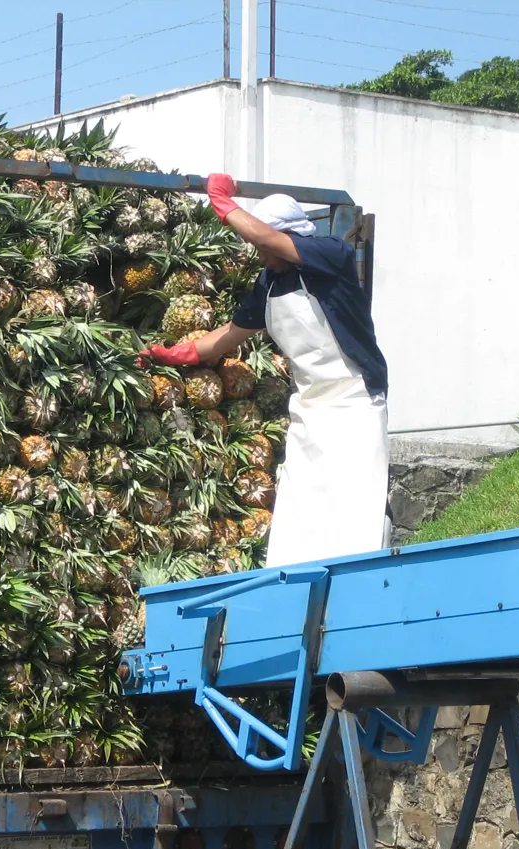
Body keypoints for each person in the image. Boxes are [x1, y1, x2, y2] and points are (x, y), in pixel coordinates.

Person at [142, 173, 390, 567]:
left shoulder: (330, 255)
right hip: (310, 408)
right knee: (301, 510)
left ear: (288, 234)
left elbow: (268, 240)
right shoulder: (270, 284)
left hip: (356, 400)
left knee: (354, 505)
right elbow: (227, 335)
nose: (259, 255)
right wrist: (173, 355)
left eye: (262, 244)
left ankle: (359, 583)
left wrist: (223, 203)